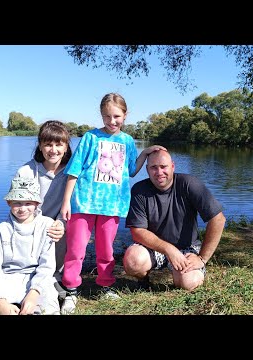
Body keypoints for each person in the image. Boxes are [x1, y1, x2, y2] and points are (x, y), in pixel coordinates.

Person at [59, 92, 166, 314]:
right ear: (101, 115)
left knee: (106, 250)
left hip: (112, 205)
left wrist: (145, 153)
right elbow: (74, 171)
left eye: (116, 116)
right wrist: (66, 201)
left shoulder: (127, 141)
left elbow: (130, 171)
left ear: (125, 115)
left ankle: (105, 284)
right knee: (76, 249)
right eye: (107, 116)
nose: (112, 121)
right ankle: (70, 290)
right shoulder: (90, 137)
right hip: (84, 203)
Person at [0, 120, 72, 297]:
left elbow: (74, 206)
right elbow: (16, 207)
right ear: (40, 146)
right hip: (30, 222)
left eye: (58, 144)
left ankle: (57, 277)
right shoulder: (25, 171)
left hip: (59, 224)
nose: (53, 150)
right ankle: (20, 276)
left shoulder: (73, 173)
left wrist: (61, 223)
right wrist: (1, 236)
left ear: (66, 147)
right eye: (48, 144)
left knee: (62, 229)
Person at [122, 149, 226, 291]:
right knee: (133, 261)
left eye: (163, 167)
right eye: (153, 167)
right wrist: (169, 250)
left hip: (186, 248)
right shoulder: (139, 190)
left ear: (172, 166)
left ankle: (183, 274)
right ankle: (143, 281)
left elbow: (218, 219)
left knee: (189, 283)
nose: (159, 172)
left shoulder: (189, 184)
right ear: (147, 170)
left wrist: (202, 258)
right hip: (155, 249)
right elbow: (137, 231)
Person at [0, 176, 60, 315]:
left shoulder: (47, 225)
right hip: (6, 279)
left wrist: (34, 294)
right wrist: (0, 302)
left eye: (28, 203)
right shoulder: (1, 229)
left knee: (49, 310)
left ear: (37, 203)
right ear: (9, 202)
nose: (22, 208)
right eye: (17, 203)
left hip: (37, 281)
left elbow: (47, 266)